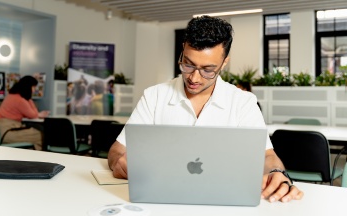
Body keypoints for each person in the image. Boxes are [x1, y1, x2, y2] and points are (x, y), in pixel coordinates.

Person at [108, 16, 303, 203]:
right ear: (182, 50)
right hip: (162, 199)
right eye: (188, 64)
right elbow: (118, 150)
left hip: (224, 200)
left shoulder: (243, 102)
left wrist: (277, 173)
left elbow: (267, 156)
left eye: (208, 70)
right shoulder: (154, 96)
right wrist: (119, 162)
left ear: (224, 62)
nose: (194, 78)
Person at [0, 75, 50, 150]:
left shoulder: (11, 95)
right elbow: (33, 114)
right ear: (28, 87)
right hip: (8, 132)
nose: (34, 90)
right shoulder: (20, 100)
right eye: (33, 87)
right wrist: (29, 99)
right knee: (41, 135)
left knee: (34, 137)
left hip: (2, 131)